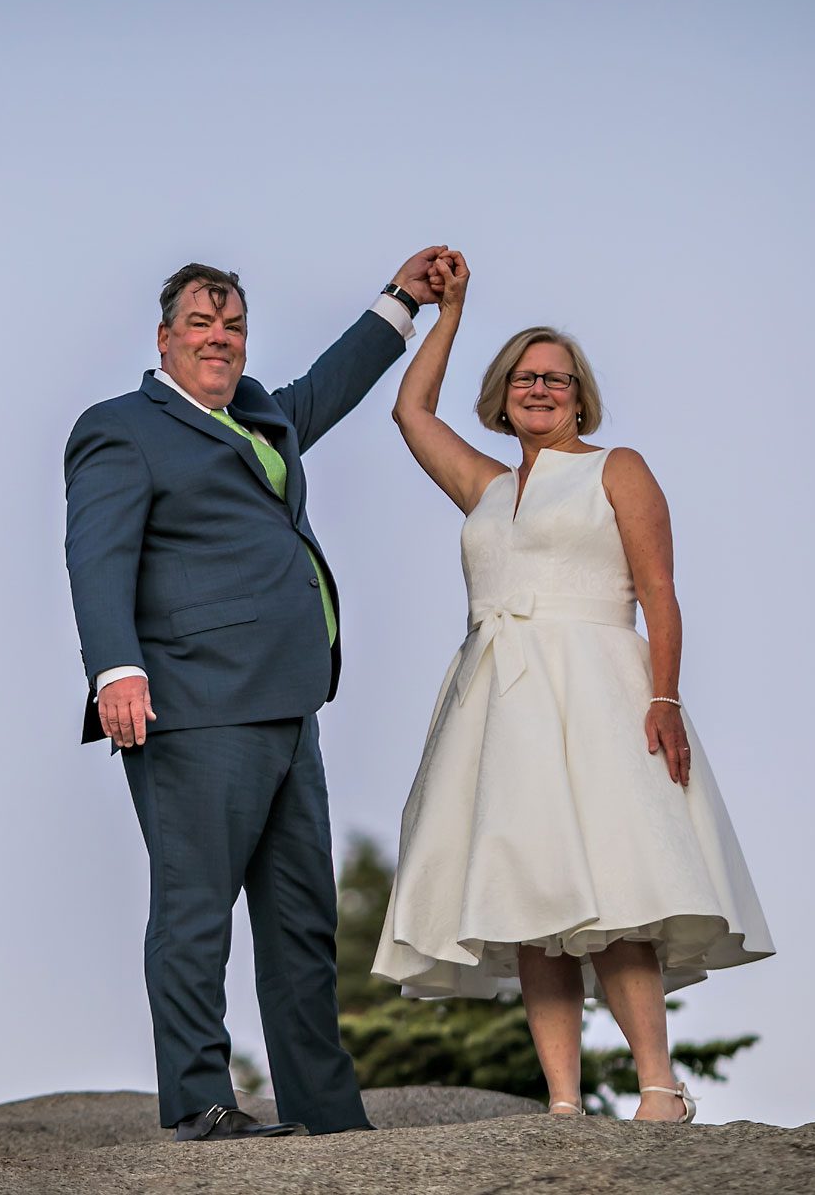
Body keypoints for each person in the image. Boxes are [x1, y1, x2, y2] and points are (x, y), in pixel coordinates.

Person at [374, 251, 774, 1121]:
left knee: (617, 897)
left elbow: (660, 592)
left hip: (598, 690)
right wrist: (448, 314)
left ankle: (659, 1089)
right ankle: (562, 1102)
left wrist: (664, 699)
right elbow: (410, 409)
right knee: (528, 901)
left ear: (581, 395)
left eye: (557, 378)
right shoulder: (485, 486)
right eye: (524, 377)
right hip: (498, 703)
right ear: (502, 392)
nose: (540, 388)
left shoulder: (615, 468)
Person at [64, 248, 446, 1140]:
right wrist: (114, 667)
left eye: (233, 325)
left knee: (302, 922)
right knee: (195, 912)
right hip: (191, 705)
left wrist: (402, 300)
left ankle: (325, 1112)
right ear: (164, 339)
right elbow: (97, 553)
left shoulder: (260, 414)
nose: (220, 338)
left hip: (289, 704)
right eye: (202, 324)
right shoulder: (122, 428)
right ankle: (201, 1103)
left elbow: (334, 384)